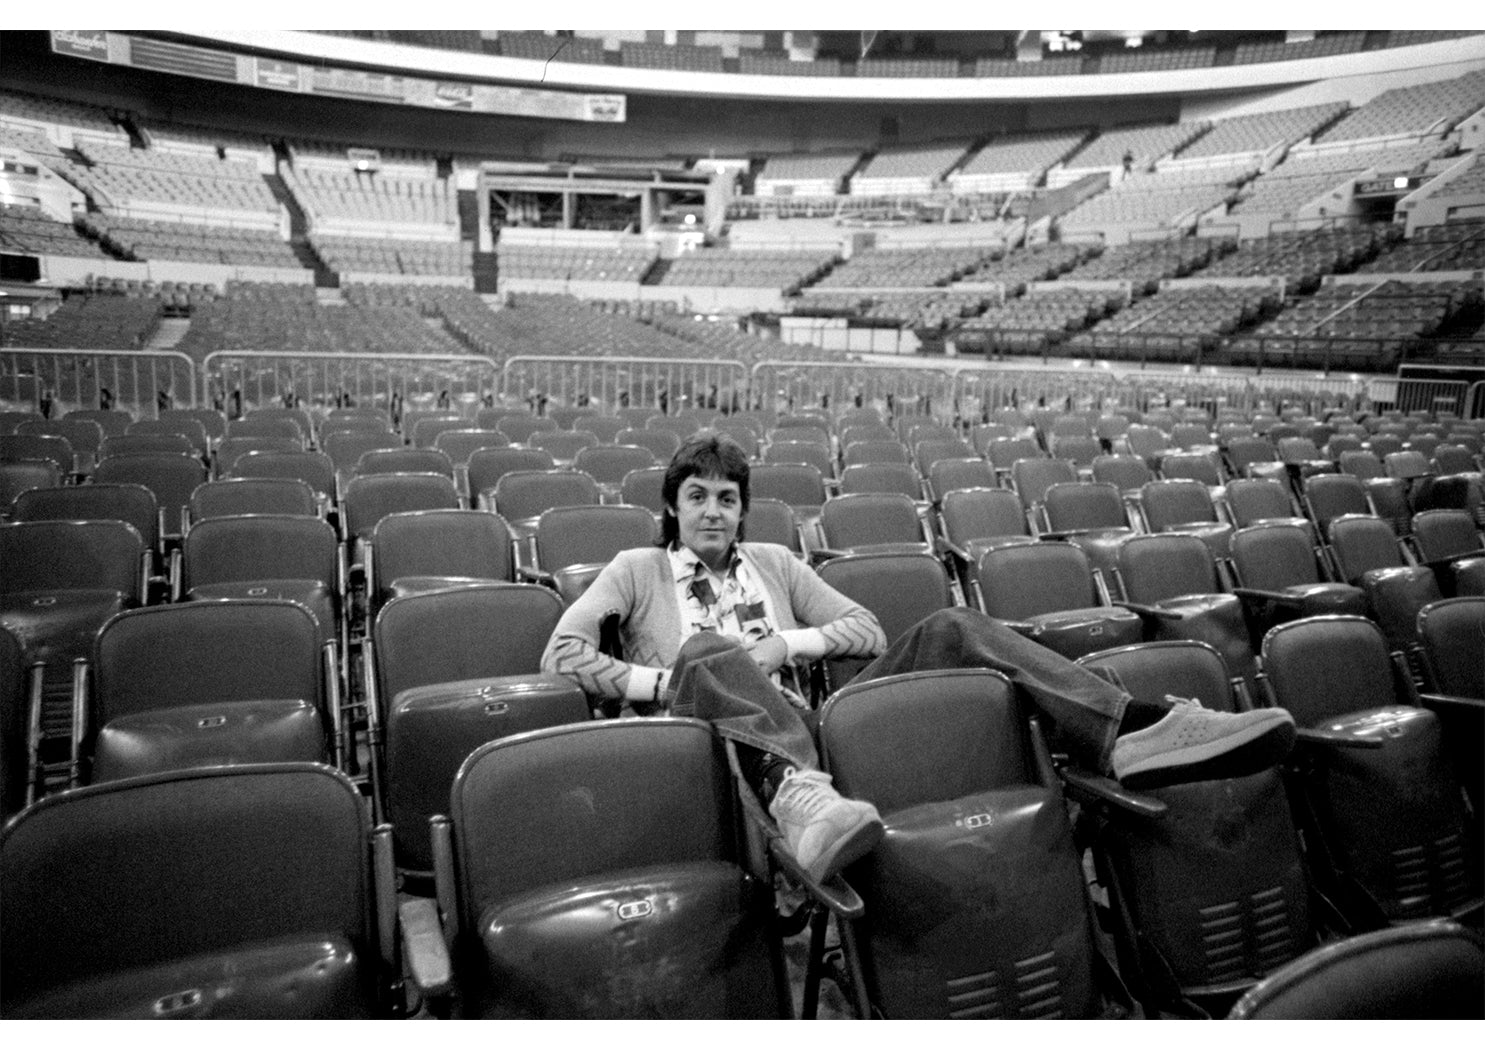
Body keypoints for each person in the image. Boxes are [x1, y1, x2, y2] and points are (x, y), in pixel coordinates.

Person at [543, 435, 1296, 884]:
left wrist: (785, 642)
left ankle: (1131, 727)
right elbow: (563, 652)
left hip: (814, 723)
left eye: (728, 499)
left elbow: (864, 630)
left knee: (952, 624)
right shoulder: (635, 568)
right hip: (726, 744)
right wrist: (679, 675)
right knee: (711, 650)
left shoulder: (771, 560)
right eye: (698, 497)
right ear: (673, 505)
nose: (713, 511)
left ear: (743, 508)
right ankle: (800, 800)